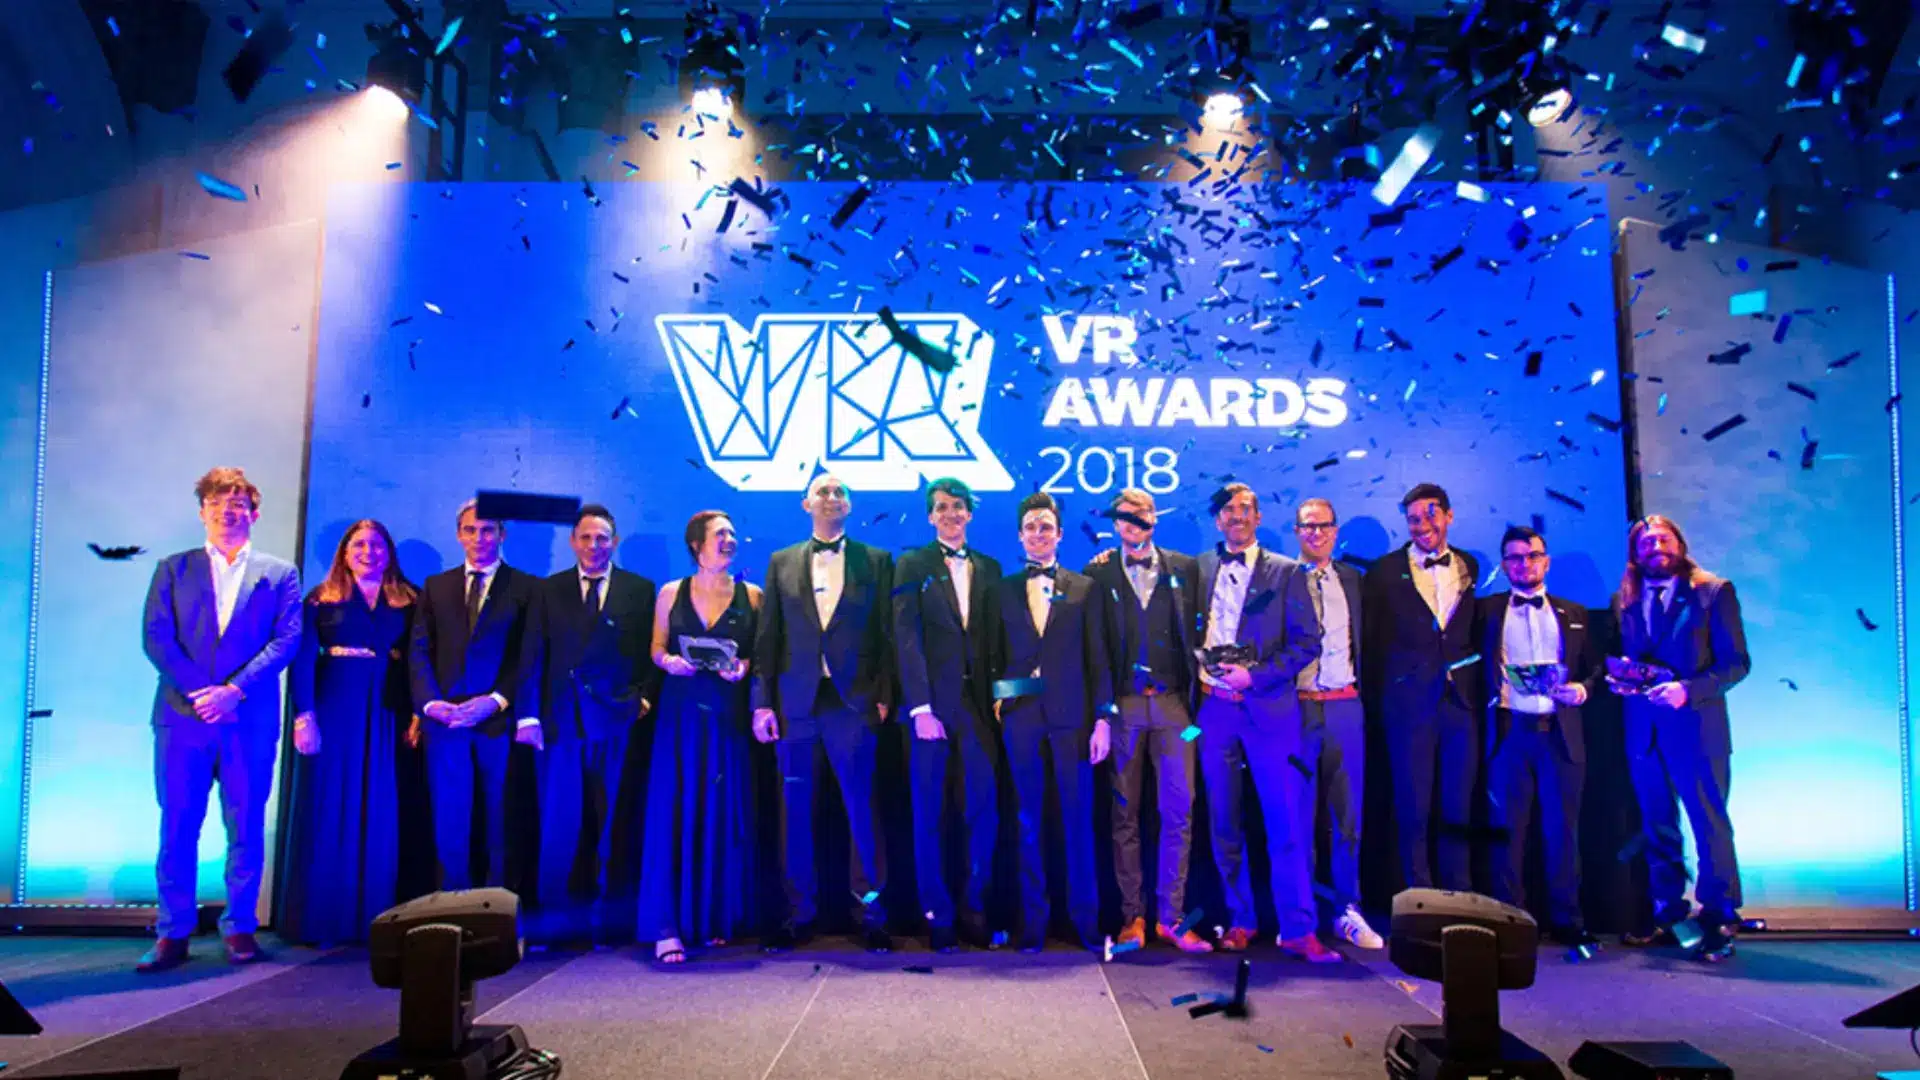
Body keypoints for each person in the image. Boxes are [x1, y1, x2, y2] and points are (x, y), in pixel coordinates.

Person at [137, 467, 301, 972]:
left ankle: (240, 927)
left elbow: (286, 640)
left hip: (248, 721)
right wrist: (201, 693)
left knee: (245, 826)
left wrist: (233, 692)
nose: (227, 513)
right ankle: (172, 932)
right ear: (202, 512)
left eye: (237, 505)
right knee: (178, 826)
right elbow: (156, 637)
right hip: (182, 719)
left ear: (254, 513)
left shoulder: (279, 573)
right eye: (216, 504)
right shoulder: (172, 568)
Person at [754, 474, 896, 954]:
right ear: (806, 504)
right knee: (794, 813)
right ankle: (799, 914)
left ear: (850, 506)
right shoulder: (781, 562)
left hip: (853, 703)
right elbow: (768, 638)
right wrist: (762, 702)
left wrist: (884, 693)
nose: (831, 498)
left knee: (862, 810)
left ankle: (871, 915)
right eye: (823, 491)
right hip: (796, 705)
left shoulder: (876, 561)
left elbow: (886, 634)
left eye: (840, 492)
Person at [1194, 484, 1335, 960]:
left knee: (1286, 821)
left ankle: (1297, 927)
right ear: (1217, 520)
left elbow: (1307, 642)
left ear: (1258, 517)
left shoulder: (1287, 572)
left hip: (1271, 711)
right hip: (1213, 712)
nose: (1236, 516)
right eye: (1228, 509)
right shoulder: (1199, 568)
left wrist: (1254, 676)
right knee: (1223, 821)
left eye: (1245, 509)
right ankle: (1240, 919)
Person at [1609, 515, 1750, 963]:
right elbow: (1636, 660)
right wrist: (1624, 682)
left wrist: (1688, 690)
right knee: (1658, 826)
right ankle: (1670, 916)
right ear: (1635, 554)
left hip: (1697, 729)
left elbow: (1736, 663)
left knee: (1709, 823)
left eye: (1663, 539)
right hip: (1644, 731)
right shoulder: (1625, 599)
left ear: (1680, 544)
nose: (1655, 547)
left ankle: (1720, 917)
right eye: (1646, 543)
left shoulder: (1713, 592)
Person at [517, 504, 659, 945]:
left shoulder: (640, 590)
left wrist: (643, 698)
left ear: (614, 542)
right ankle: (555, 924)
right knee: (560, 824)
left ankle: (609, 923)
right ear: (572, 541)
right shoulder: (548, 590)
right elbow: (532, 654)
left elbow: (651, 651)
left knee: (615, 822)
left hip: (616, 721)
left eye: (602, 538)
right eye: (586, 537)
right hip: (561, 722)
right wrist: (528, 715)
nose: (594, 545)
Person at [1083, 489, 1208, 953]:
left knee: (1180, 810)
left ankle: (1171, 918)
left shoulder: (1186, 568)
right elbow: (1095, 649)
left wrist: (1198, 708)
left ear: (1154, 519)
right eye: (1124, 517)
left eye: (1141, 515)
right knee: (1124, 814)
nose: (1133, 524)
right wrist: (1102, 713)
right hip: (1124, 708)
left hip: (1177, 709)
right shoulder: (1098, 572)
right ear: (1116, 524)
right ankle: (1132, 918)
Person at [281, 519, 415, 946]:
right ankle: (324, 921)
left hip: (390, 711)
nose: (368, 552)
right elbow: (303, 660)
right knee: (332, 806)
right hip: (335, 707)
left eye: (377, 545)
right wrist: (304, 716)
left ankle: (379, 920)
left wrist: (418, 715)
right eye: (359, 545)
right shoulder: (320, 599)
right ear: (344, 552)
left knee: (383, 808)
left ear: (389, 553)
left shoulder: (410, 600)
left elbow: (420, 661)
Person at [638, 511, 762, 964]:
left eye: (733, 533)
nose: (730, 540)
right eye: (720, 534)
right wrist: (669, 662)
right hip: (682, 713)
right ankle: (668, 927)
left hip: (727, 713)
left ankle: (713, 919)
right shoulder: (671, 592)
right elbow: (656, 648)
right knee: (675, 809)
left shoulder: (753, 595)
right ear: (697, 544)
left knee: (721, 812)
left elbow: (760, 656)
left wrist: (743, 668)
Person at [992, 492, 1113, 953]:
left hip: (1073, 720)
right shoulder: (1001, 590)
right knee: (1027, 821)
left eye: (1046, 526)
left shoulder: (1085, 588)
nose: (1038, 534)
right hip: (1021, 720)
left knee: (1078, 820)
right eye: (1031, 527)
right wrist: (1002, 699)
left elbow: (1099, 658)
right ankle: (1034, 923)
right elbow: (991, 658)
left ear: (1060, 534)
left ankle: (1084, 921)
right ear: (1019, 536)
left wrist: (1102, 719)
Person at [893, 478, 1004, 952]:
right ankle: (937, 916)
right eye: (941, 507)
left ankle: (975, 910)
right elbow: (905, 637)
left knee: (983, 813)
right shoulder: (911, 564)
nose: (950, 514)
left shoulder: (991, 568)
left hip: (979, 708)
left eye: (958, 506)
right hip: (931, 709)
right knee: (929, 815)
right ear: (930, 516)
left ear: (970, 513)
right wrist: (919, 707)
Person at [408, 500, 538, 892]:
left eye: (487, 530)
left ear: (502, 535)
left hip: (498, 722)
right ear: (458, 535)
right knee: (449, 821)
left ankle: (497, 909)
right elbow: (419, 650)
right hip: (445, 723)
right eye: (470, 530)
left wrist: (496, 700)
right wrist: (432, 704)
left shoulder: (529, 588)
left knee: (500, 820)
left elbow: (530, 656)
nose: (479, 538)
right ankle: (451, 905)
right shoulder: (436, 586)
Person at [1481, 526, 1600, 951]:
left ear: (1546, 562)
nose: (1524, 563)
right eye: (1514, 557)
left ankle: (1568, 921)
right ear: (1504, 565)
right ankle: (1510, 921)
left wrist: (1583, 689)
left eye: (1532, 555)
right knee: (1506, 833)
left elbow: (1595, 667)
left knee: (1562, 832)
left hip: (1560, 734)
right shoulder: (1486, 612)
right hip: (1509, 732)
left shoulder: (1575, 613)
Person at [1362, 482, 1483, 893]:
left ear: (1449, 516)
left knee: (1458, 804)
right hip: (1407, 706)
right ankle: (1419, 896)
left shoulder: (1469, 565)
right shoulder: (1382, 572)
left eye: (1431, 515)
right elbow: (1373, 643)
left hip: (1460, 703)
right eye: (1413, 519)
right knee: (1411, 805)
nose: (1422, 525)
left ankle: (1459, 894)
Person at [1291, 498, 1383, 950]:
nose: (1316, 533)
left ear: (1335, 530)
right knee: (1299, 817)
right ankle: (1302, 915)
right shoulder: (1281, 578)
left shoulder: (1354, 580)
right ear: (1296, 532)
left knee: (1347, 815)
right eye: (1308, 526)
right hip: (1298, 710)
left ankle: (1348, 909)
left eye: (1324, 526)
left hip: (1345, 706)